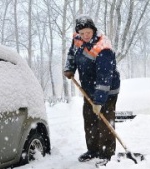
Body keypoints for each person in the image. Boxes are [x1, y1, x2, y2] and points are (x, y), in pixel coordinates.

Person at [63, 14, 120, 167]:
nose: (85, 36)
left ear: (93, 30)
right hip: (88, 88)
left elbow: (104, 77)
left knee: (104, 122)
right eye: (82, 33)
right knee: (89, 121)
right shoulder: (77, 39)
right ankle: (93, 150)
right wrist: (69, 68)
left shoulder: (103, 48)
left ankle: (106, 153)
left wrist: (99, 101)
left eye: (88, 32)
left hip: (107, 91)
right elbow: (72, 54)